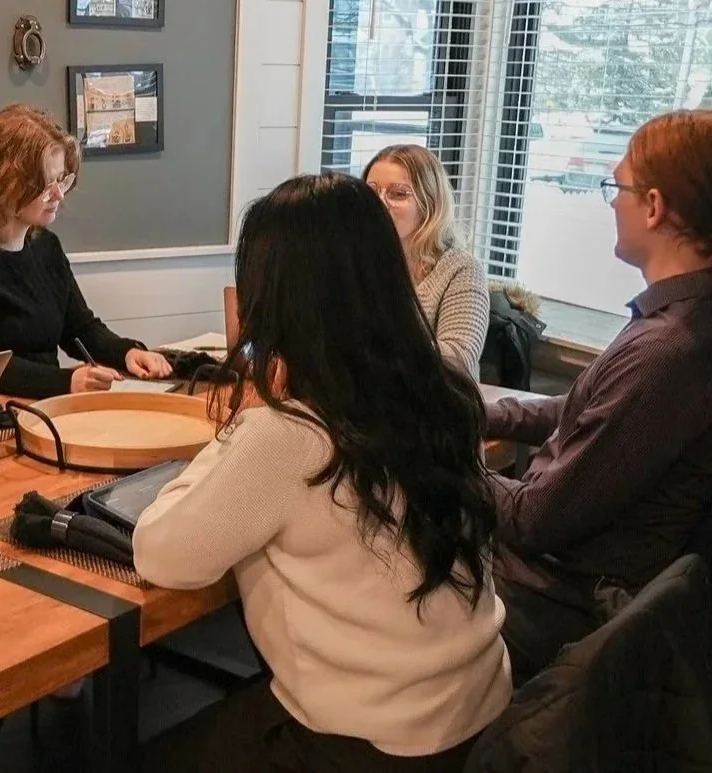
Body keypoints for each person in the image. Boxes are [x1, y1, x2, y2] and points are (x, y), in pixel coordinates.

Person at [134, 173, 511, 772]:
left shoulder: (288, 434)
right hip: (478, 714)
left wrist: (244, 421)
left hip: (371, 744)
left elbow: (161, 553)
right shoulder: (445, 396)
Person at [484, 109, 712, 681]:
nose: (612, 202)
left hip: (555, 608)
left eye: (617, 187)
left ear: (654, 206)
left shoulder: (670, 351)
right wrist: (478, 411)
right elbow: (581, 410)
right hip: (555, 583)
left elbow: (533, 520)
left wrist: (423, 450)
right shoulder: (696, 318)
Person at [0, 103, 173, 398]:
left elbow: (80, 328)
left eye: (62, 179)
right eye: (45, 183)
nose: (59, 194)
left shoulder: (46, 246)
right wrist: (65, 383)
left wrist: (125, 352)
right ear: (2, 181)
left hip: (45, 405)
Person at [364, 144, 489, 376]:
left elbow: (458, 360)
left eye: (398, 193)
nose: (379, 203)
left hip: (433, 405)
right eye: (371, 193)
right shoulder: (354, 260)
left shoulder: (461, 269)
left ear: (430, 204)